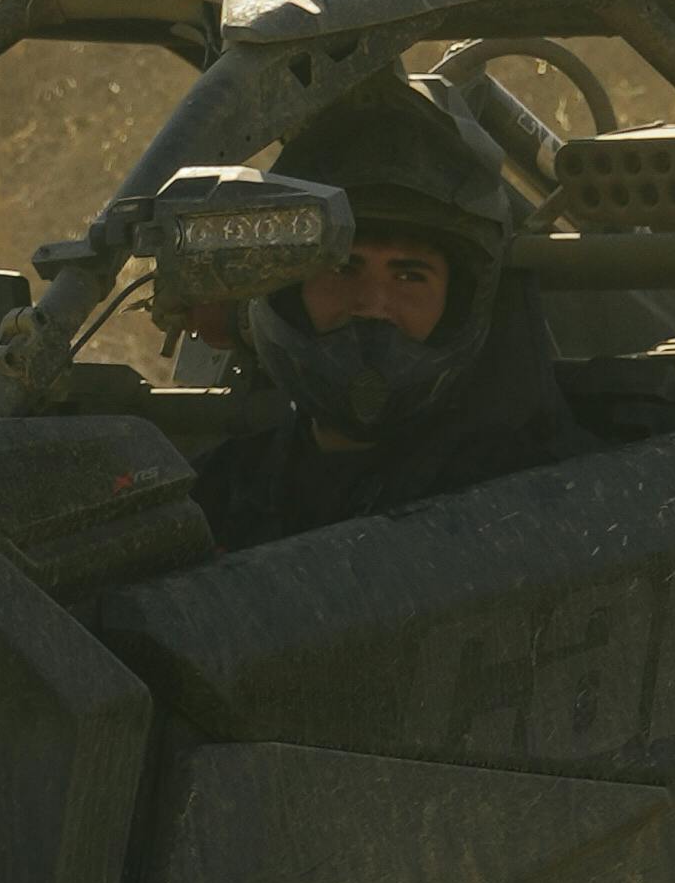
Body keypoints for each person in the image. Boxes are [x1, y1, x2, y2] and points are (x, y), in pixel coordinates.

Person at [188, 80, 606, 549]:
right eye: (343, 268)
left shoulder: (540, 501)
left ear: (459, 302)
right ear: (286, 290)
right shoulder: (216, 495)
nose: (373, 305)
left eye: (410, 277)